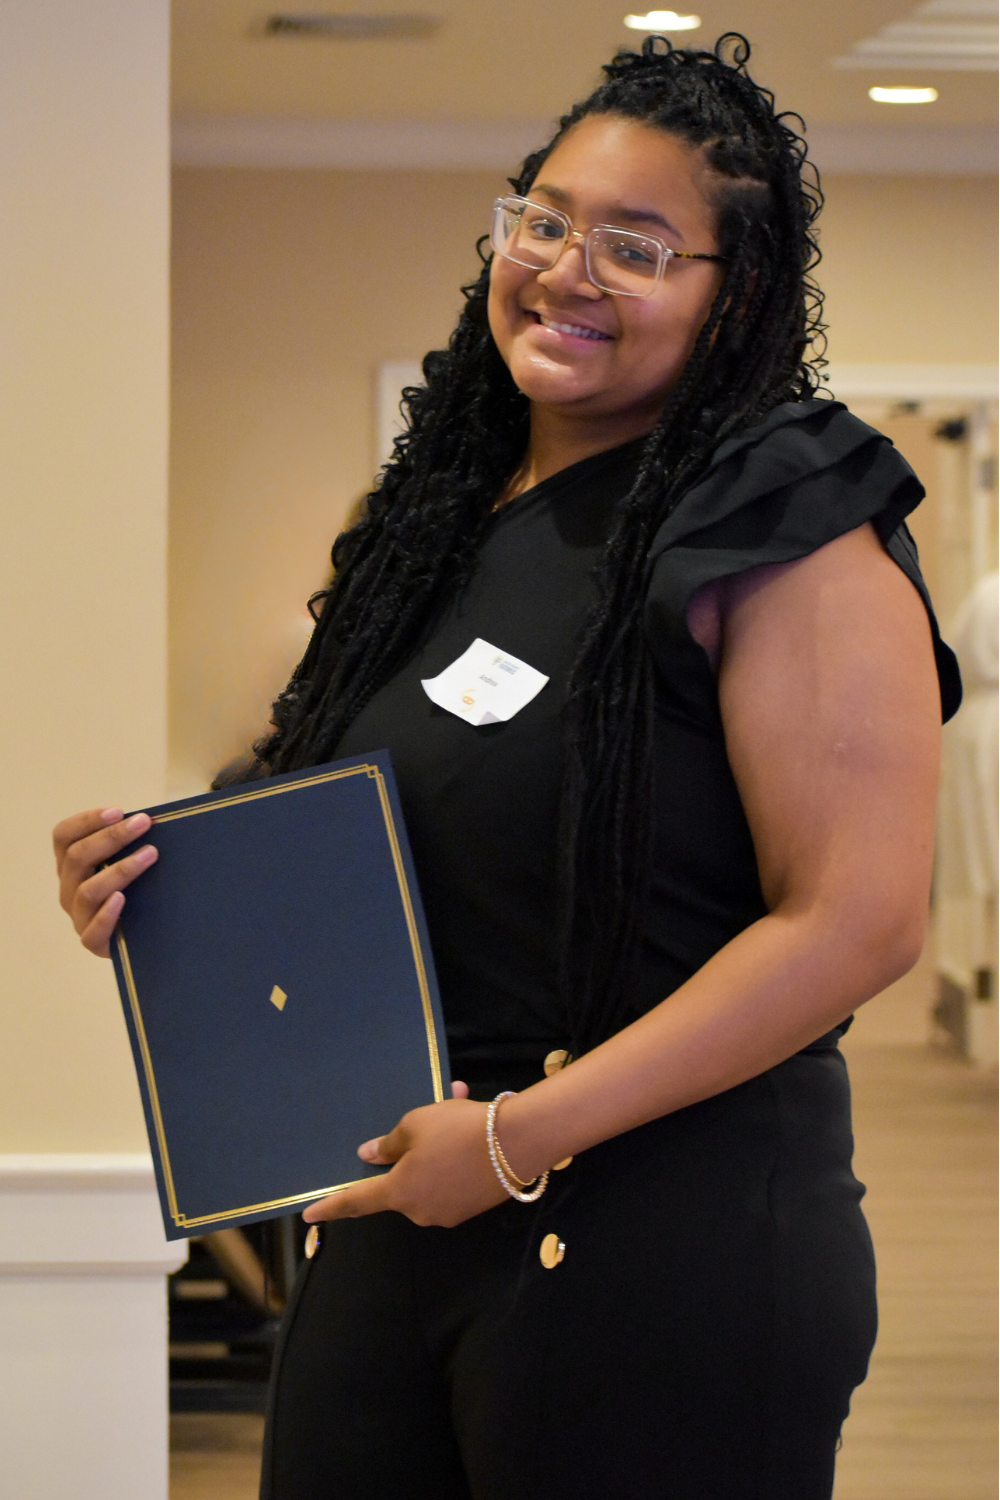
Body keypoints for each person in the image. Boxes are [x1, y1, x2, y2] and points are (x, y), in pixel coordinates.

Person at [53, 34, 960, 1500]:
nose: (565, 270)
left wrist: (520, 1137)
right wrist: (161, 886)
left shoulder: (784, 515)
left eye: (638, 247)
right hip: (402, 1209)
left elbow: (858, 921)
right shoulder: (452, 519)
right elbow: (383, 840)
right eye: (542, 219)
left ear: (735, 298)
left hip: (666, 1249)